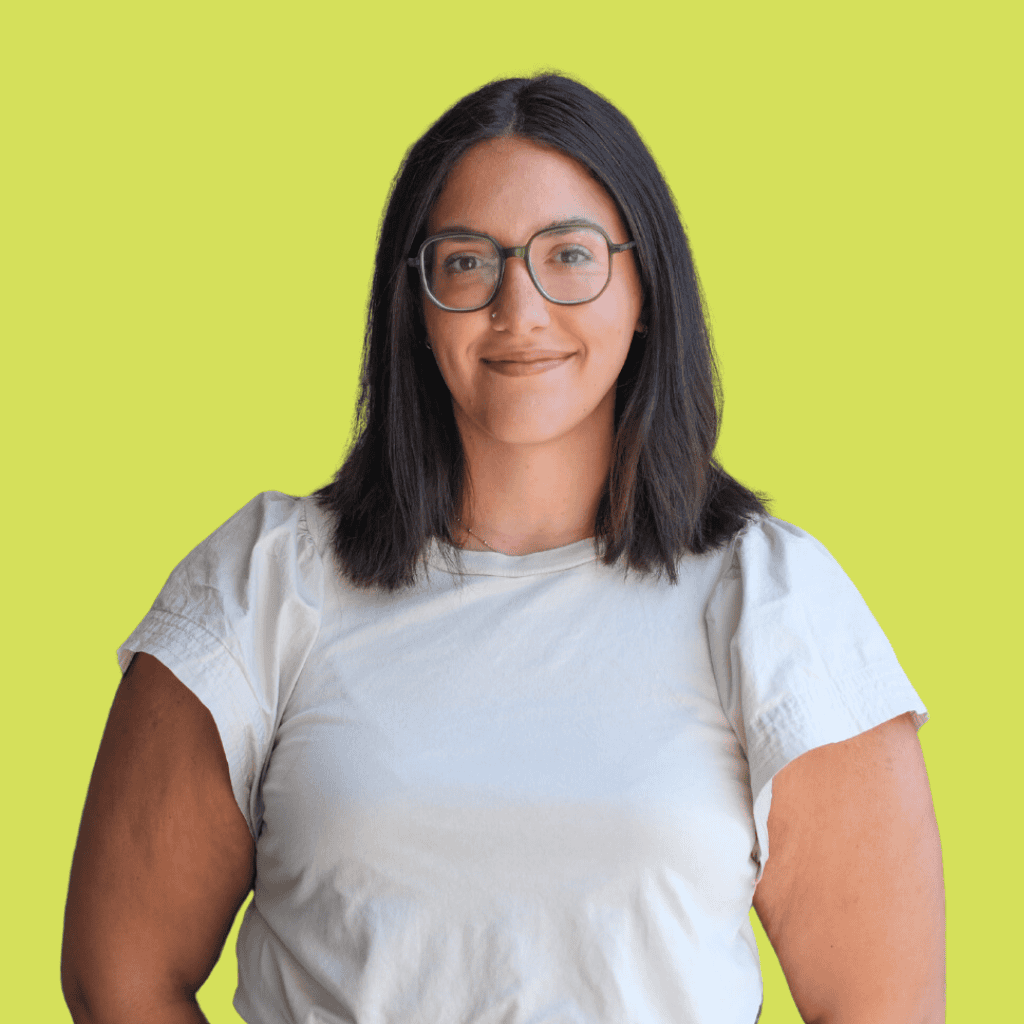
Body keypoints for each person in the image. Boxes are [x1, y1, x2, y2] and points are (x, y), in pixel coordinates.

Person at [61, 74, 945, 1024]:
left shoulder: (771, 601)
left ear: (646, 290)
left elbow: (881, 1009)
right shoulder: (265, 583)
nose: (519, 309)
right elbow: (121, 970)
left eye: (571, 255)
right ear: (417, 301)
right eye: (469, 263)